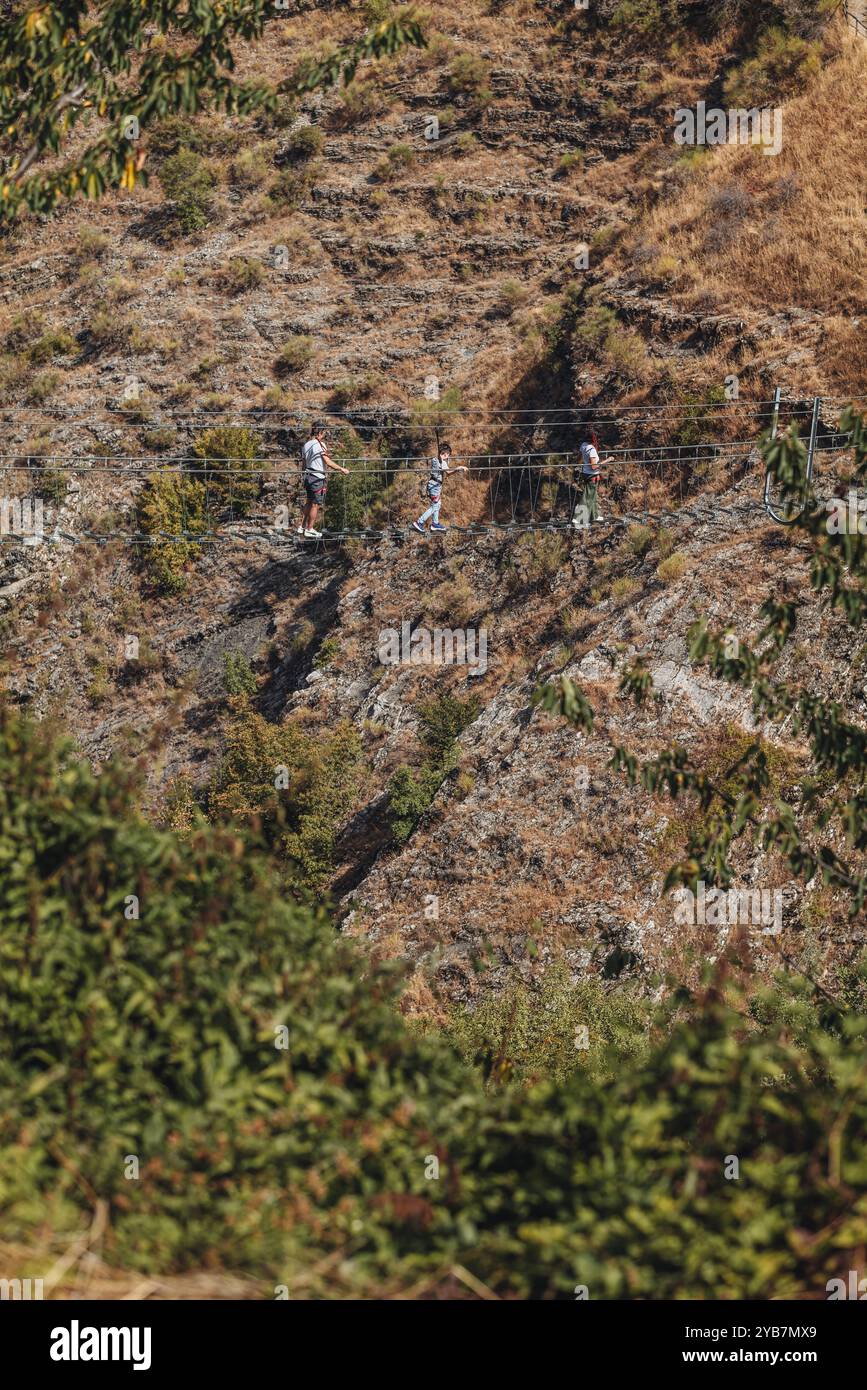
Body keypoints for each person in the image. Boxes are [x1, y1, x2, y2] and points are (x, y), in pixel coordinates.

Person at [298, 423, 349, 538]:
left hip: (308, 476)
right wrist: (341, 469)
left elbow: (304, 464)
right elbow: (327, 461)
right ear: (320, 432)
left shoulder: (306, 445)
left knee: (309, 502)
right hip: (317, 478)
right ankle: (310, 529)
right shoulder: (320, 445)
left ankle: (302, 527)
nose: (325, 434)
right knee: (315, 504)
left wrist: (304, 476)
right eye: (324, 432)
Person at [412, 442, 467, 534]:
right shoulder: (442, 463)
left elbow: (445, 470)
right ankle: (419, 522)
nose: (448, 456)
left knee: (438, 504)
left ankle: (435, 523)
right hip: (435, 487)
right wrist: (459, 468)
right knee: (435, 506)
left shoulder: (435, 459)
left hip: (434, 485)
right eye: (447, 454)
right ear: (445, 454)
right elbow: (448, 472)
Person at [572, 429, 614, 527]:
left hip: (585, 473)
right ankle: (579, 519)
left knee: (593, 494)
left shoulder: (583, 445)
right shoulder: (592, 450)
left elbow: (579, 458)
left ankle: (594, 515)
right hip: (592, 475)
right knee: (588, 496)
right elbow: (594, 466)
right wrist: (608, 460)